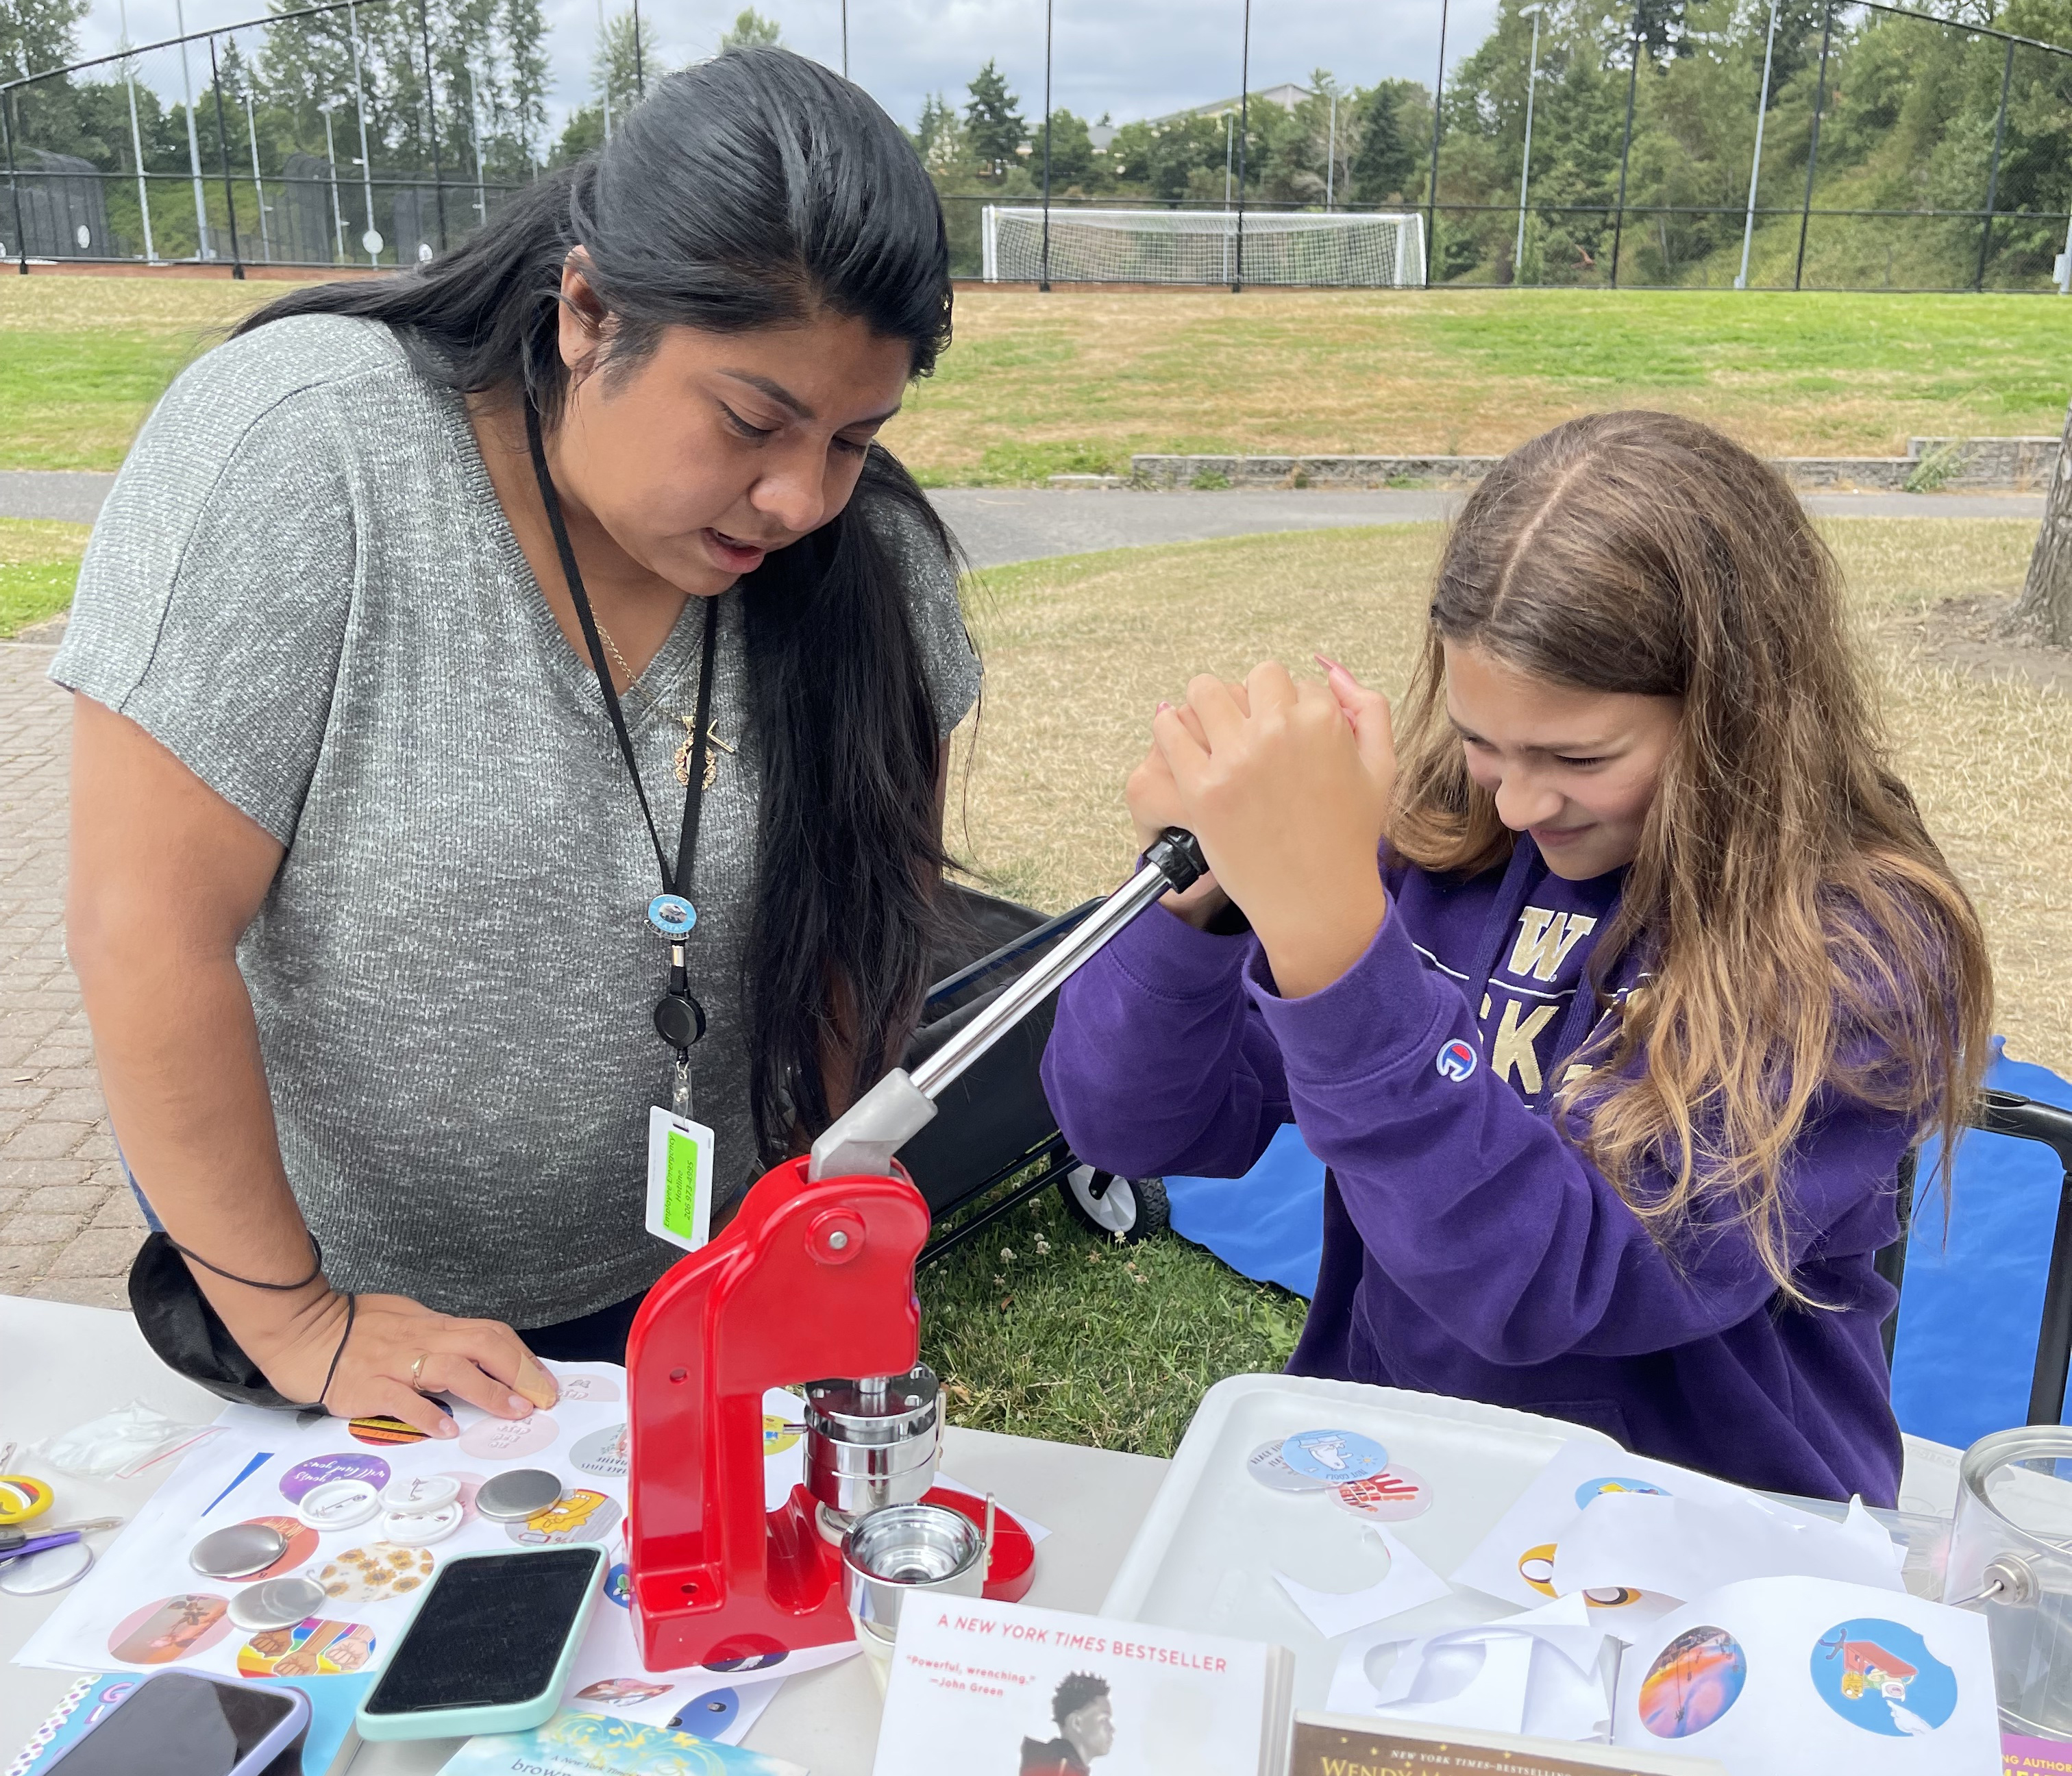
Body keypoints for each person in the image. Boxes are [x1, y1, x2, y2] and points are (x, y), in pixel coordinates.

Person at [58, 48, 980, 1437]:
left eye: (855, 437)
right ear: (588, 313)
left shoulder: (870, 566)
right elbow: (145, 932)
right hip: (324, 1294)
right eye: (751, 421)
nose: (800, 498)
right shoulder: (310, 449)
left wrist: (821, 1202)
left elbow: (868, 919)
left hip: (685, 1279)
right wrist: (298, 1321)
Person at [1041, 412, 1991, 1505]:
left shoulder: (1854, 948)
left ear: (1742, 717)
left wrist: (1342, 953)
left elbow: (1560, 1282)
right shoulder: (1447, 842)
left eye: (1580, 756)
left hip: (1710, 1525)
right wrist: (1195, 918)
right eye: (1483, 739)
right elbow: (1136, 1125)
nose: (1519, 800)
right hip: (1412, 1473)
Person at [1020, 1672, 1115, 1775]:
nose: (1112, 1729)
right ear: (1076, 1723)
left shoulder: (1049, 1765)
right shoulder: (1058, 1771)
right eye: (1104, 1720)